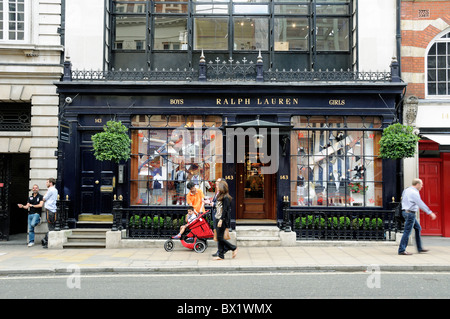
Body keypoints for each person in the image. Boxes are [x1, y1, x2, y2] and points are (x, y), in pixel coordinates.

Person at [398, 178, 437, 255]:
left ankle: (420, 248)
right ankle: (401, 250)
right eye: (421, 184)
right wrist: (430, 212)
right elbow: (420, 203)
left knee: (418, 228)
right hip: (410, 214)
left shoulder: (406, 190)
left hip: (405, 212)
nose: (422, 186)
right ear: (417, 184)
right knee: (407, 232)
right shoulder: (414, 192)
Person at [213, 180, 238, 260]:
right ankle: (221, 255)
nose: (216, 187)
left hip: (222, 220)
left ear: (221, 187)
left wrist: (221, 220)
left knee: (220, 238)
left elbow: (225, 210)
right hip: (217, 218)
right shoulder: (219, 196)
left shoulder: (226, 198)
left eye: (218, 186)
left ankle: (233, 248)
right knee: (219, 237)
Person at [42, 178, 58, 248]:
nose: (46, 183)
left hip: (49, 209)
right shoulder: (55, 190)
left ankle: (48, 242)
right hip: (53, 209)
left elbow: (44, 199)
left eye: (47, 182)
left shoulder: (50, 190)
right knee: (52, 226)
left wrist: (45, 193)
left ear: (51, 183)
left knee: (50, 227)